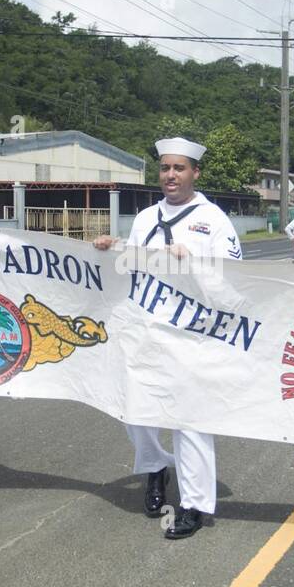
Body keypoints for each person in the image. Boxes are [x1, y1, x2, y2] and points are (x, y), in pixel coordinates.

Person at [92, 137, 242, 539]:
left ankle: (193, 504)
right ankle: (155, 467)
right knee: (134, 410)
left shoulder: (213, 220)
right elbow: (132, 266)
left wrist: (192, 266)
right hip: (145, 331)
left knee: (189, 421)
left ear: (194, 173)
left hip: (192, 335)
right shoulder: (145, 218)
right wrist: (111, 249)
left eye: (179, 168)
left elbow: (233, 285)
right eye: (165, 168)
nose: (171, 176)